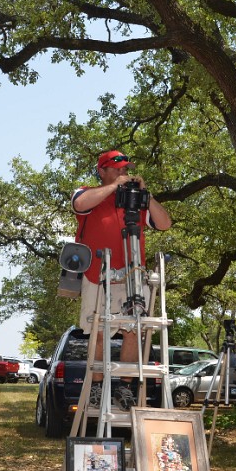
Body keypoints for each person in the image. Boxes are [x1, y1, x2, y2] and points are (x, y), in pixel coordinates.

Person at [71, 150, 171, 410]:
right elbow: (80, 204)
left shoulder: (135, 200)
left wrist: (146, 195)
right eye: (116, 169)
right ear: (101, 171)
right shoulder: (87, 192)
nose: (122, 173)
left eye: (125, 169)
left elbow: (164, 223)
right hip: (97, 273)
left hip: (133, 275)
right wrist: (113, 187)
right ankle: (96, 386)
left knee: (134, 332)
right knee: (99, 332)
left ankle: (124, 387)